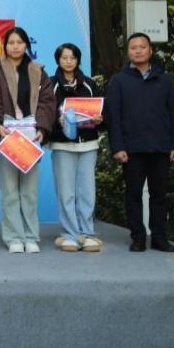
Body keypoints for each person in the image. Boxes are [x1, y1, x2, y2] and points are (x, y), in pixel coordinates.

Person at [106, 32, 174, 253]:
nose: (138, 51)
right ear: (128, 52)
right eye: (133, 48)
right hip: (131, 149)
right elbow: (113, 117)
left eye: (142, 47)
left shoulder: (164, 80)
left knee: (159, 195)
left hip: (161, 147)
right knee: (133, 195)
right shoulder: (118, 81)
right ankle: (138, 237)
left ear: (151, 50)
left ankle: (159, 238)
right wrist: (118, 147)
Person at [0, 26, 56, 254]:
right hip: (6, 135)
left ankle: (31, 236)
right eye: (11, 43)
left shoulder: (38, 70)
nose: (15, 46)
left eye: (19, 42)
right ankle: (14, 237)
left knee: (29, 191)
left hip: (30, 137)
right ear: (5, 46)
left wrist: (42, 128)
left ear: (26, 45)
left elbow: (47, 102)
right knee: (9, 191)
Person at [48, 43, 104, 253]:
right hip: (62, 145)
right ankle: (70, 234)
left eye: (72, 57)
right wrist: (57, 121)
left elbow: (102, 110)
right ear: (58, 60)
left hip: (88, 144)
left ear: (78, 59)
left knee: (87, 192)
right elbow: (45, 113)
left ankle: (87, 234)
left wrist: (99, 119)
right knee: (66, 193)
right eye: (64, 57)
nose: (68, 61)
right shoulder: (51, 85)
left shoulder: (89, 84)